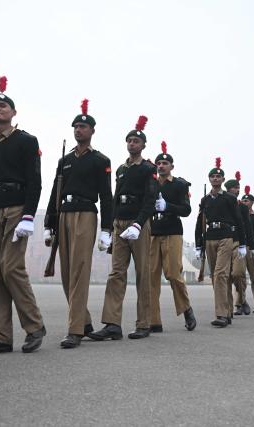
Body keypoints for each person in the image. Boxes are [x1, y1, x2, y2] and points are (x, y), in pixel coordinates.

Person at [0, 77, 46, 355]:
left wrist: (28, 215)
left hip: (16, 208)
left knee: (12, 268)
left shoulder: (26, 141)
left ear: (13, 112)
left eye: (2, 106)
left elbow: (35, 180)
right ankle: (1, 336)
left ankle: (34, 326)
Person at [43, 99, 113, 349]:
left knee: (80, 271)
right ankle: (83, 321)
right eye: (76, 126)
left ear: (92, 131)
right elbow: (55, 191)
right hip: (64, 213)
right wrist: (48, 222)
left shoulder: (99, 160)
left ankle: (75, 330)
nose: (79, 130)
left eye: (83, 127)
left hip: (86, 213)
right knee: (66, 272)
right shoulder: (65, 160)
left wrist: (107, 229)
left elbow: (106, 195)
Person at [89, 115, 157, 340]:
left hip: (139, 224)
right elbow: (115, 197)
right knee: (116, 273)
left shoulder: (148, 168)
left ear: (143, 145)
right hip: (120, 223)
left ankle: (144, 323)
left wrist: (139, 223)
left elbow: (150, 199)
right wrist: (110, 226)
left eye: (136, 141)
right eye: (129, 141)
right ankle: (112, 324)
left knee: (142, 273)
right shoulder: (121, 169)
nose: (132, 144)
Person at [148, 141, 196, 332]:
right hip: (153, 232)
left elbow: (186, 210)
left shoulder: (179, 185)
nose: (161, 166)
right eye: (158, 163)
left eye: (165, 164)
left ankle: (186, 309)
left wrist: (168, 206)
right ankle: (154, 321)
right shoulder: (150, 184)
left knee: (173, 274)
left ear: (172, 167)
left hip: (172, 232)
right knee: (151, 277)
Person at [194, 157, 246, 327]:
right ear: (209, 179)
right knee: (216, 277)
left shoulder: (230, 199)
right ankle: (227, 310)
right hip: (210, 238)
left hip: (226, 236)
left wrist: (243, 243)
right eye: (212, 176)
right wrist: (199, 245)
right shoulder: (205, 200)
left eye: (218, 176)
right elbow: (200, 223)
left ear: (223, 180)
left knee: (221, 274)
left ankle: (221, 314)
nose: (215, 178)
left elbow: (239, 221)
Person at [223, 172, 254, 317]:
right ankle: (233, 306)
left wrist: (252, 247)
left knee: (238, 273)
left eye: (238, 187)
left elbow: (247, 227)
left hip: (239, 242)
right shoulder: (222, 201)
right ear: (228, 189)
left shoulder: (242, 207)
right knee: (227, 276)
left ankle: (241, 301)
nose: (237, 190)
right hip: (224, 241)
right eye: (235, 188)